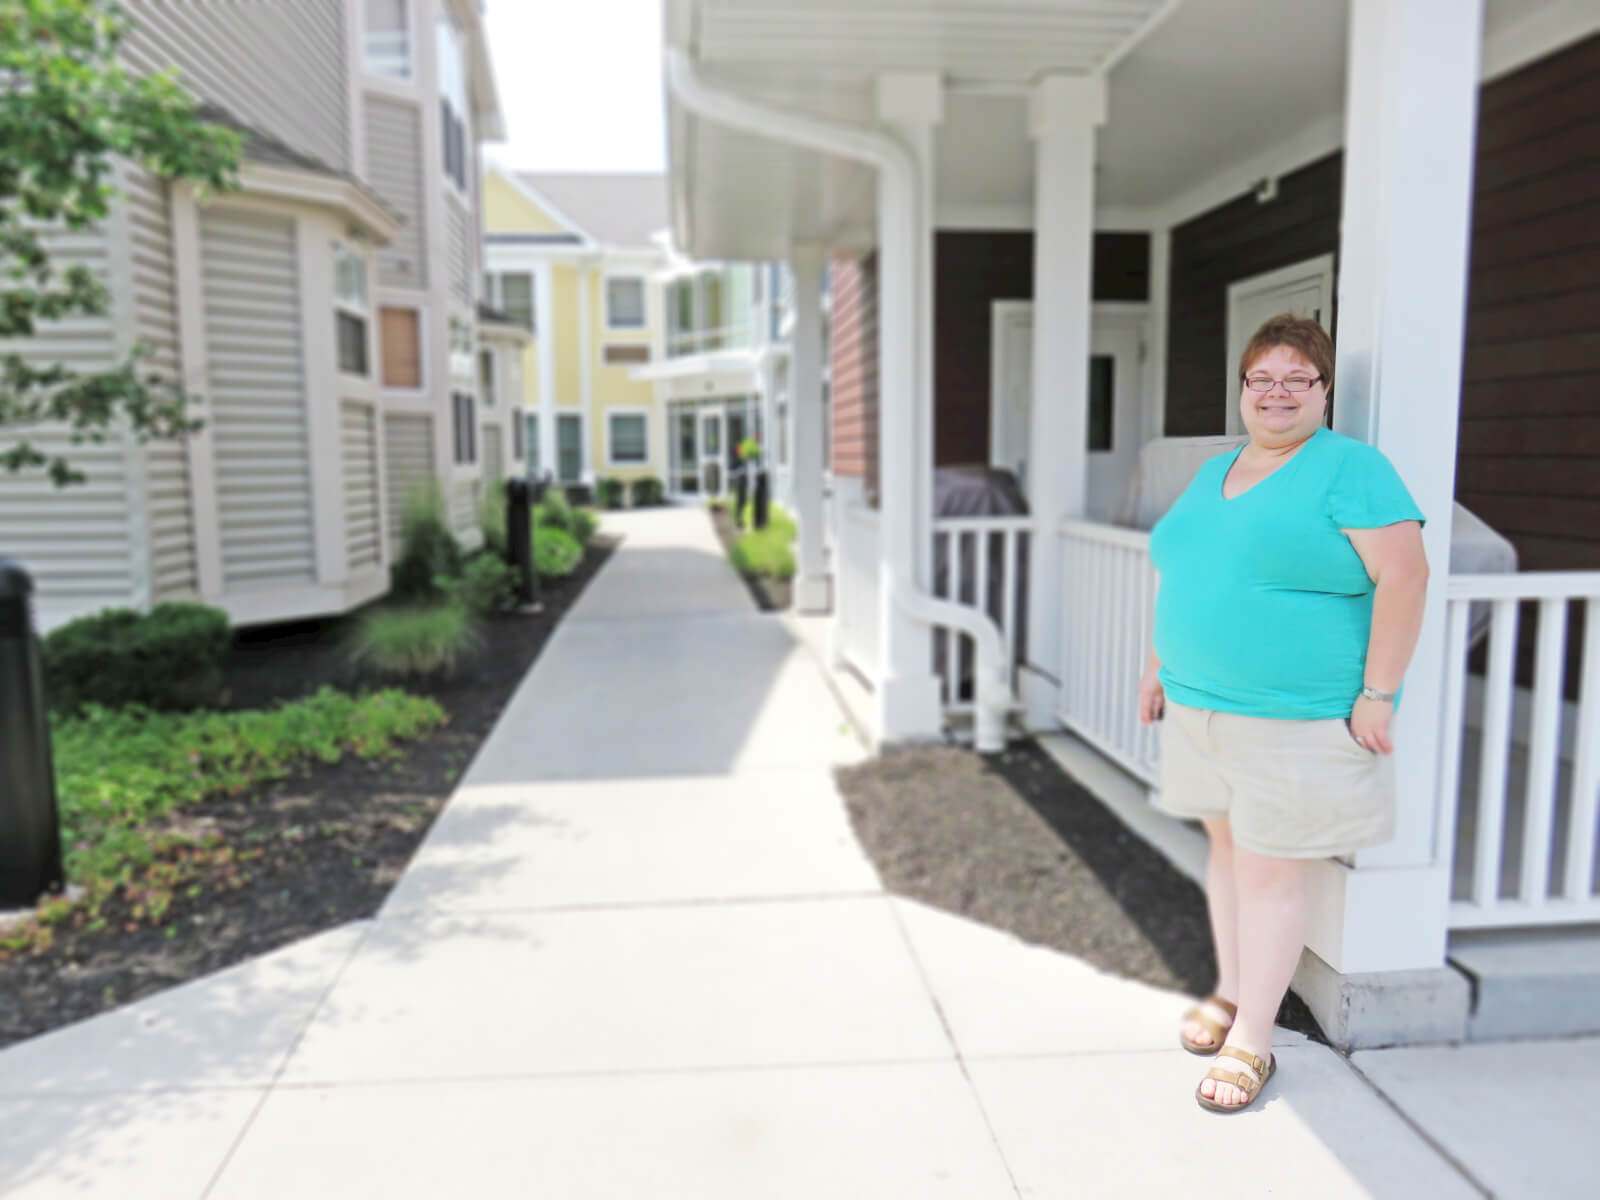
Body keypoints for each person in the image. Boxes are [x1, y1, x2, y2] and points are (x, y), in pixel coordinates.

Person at [1139, 313, 1429, 1114]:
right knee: (1229, 857)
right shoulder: (1216, 472)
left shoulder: (1351, 469)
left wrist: (1379, 693)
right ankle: (1233, 993)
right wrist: (1158, 665)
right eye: (1260, 378)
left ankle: (1253, 1042)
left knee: (1269, 874)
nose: (1276, 392)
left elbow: (1404, 578)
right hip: (1200, 708)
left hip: (1291, 716)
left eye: (1296, 378)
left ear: (1324, 391)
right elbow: (1184, 567)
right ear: (1241, 390)